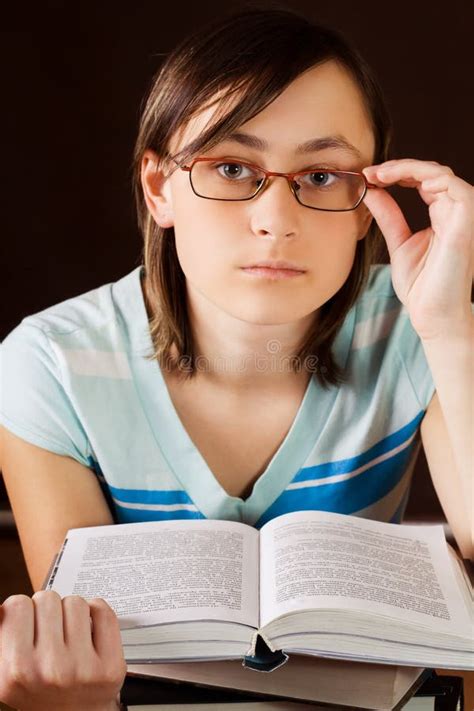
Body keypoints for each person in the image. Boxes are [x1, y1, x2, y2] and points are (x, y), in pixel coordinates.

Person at [1, 6, 472, 710]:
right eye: (230, 167)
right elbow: (80, 659)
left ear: (368, 194)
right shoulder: (50, 365)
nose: (276, 219)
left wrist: (449, 328)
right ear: (159, 188)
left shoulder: (415, 325)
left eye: (321, 176)